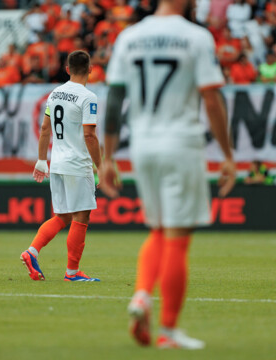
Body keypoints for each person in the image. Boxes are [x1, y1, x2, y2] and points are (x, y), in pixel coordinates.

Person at [100, 0, 236, 349]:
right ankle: (168, 330)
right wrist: (227, 155)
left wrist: (108, 157)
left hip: (143, 146)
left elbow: (115, 99)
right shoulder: (196, 36)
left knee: (159, 228)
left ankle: (142, 295)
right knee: (178, 237)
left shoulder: (130, 36)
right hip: (180, 142)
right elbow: (211, 99)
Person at [20, 50, 103, 282]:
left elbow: (45, 128)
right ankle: (72, 272)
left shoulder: (55, 93)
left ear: (67, 69)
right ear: (90, 69)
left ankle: (32, 251)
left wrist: (40, 160)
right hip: (77, 164)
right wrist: (101, 166)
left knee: (62, 216)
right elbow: (89, 135)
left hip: (56, 163)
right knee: (81, 217)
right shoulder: (88, 97)